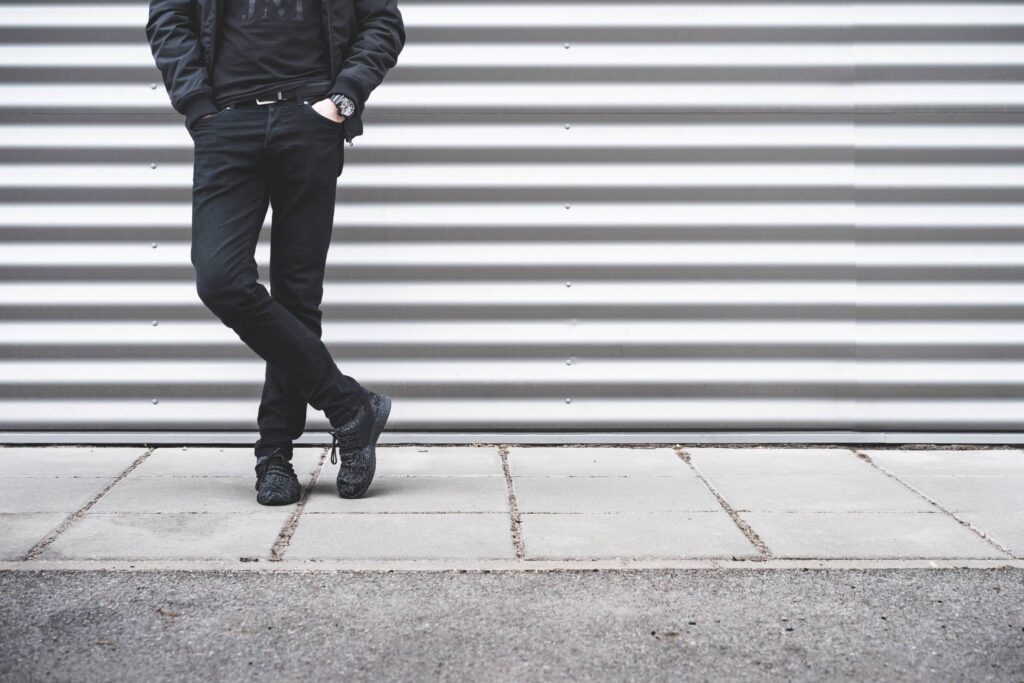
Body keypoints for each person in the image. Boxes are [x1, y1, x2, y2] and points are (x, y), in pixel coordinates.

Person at [145, 0, 404, 505]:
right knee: (220, 279)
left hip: (311, 121)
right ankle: (351, 405)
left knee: (297, 295)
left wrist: (341, 101)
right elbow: (168, 20)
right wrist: (199, 107)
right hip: (227, 124)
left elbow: (382, 22)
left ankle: (275, 457)